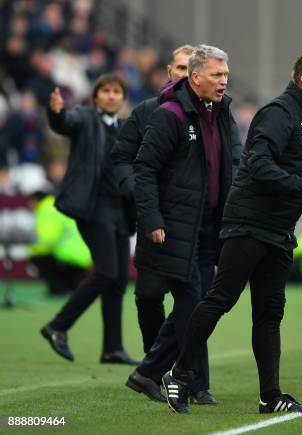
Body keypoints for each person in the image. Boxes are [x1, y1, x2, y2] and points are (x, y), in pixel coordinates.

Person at [161, 51, 302, 415]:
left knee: (269, 313)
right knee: (221, 299)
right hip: (249, 223)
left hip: (277, 230)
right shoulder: (280, 113)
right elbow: (258, 163)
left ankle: (270, 396)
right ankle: (179, 374)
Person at [132, 45, 242, 406]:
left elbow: (233, 164)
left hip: (211, 226)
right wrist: (151, 218)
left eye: (225, 75)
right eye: (216, 75)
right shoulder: (171, 114)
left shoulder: (221, 113)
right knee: (194, 306)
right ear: (195, 78)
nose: (224, 81)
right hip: (178, 226)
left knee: (196, 306)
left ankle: (148, 372)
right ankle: (178, 379)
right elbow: (144, 169)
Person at [111, 45, 196, 401]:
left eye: (190, 69)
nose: (183, 74)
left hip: (192, 223)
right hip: (152, 218)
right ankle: (155, 363)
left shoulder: (211, 116)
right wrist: (137, 193)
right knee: (148, 296)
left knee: (192, 302)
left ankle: (189, 379)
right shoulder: (147, 112)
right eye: (179, 67)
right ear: (168, 70)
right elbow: (121, 159)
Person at [40, 74, 139, 365]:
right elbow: (64, 123)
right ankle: (58, 326)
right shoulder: (84, 117)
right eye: (105, 91)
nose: (110, 96)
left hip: (121, 211)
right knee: (107, 272)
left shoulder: (126, 127)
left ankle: (112, 349)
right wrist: (56, 112)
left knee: (119, 279)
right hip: (93, 207)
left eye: (116, 91)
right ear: (95, 97)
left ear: (122, 98)